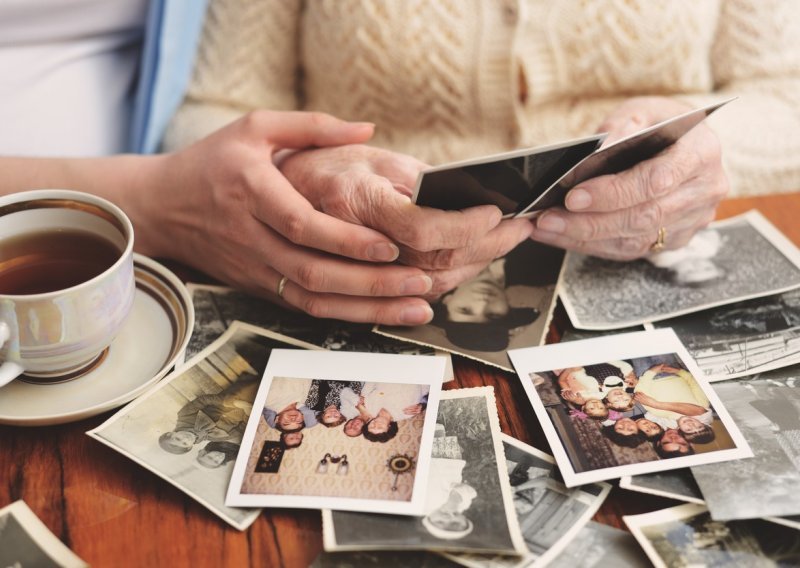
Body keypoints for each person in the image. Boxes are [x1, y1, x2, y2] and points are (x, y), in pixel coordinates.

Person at [166, 0, 800, 267]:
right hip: (367, 271)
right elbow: (209, 114)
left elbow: (787, 94)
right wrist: (296, 175)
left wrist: (695, 155)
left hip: (655, 263)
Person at [428, 239, 561, 352]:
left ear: (447, 300)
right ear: (508, 306)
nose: (483, 303)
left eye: (465, 310)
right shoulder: (546, 268)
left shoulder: (437, 250)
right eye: (493, 315)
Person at [158, 375, 258, 454]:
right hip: (252, 410)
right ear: (190, 446)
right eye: (184, 443)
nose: (185, 438)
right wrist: (248, 415)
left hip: (234, 398)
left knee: (256, 388)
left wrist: (234, 403)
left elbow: (204, 400)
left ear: (171, 433)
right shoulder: (215, 438)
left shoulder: (184, 416)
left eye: (178, 438)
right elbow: (241, 429)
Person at [341, 383, 429, 443]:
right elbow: (415, 387)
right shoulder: (407, 411)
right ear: (389, 427)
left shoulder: (370, 408)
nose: (376, 424)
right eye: (380, 427)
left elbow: (370, 384)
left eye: (372, 426)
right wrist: (424, 402)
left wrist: (363, 395)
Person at [633, 363, 712, 429]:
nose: (691, 425)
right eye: (699, 427)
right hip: (672, 370)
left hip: (645, 372)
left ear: (681, 432)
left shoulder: (662, 416)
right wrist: (679, 371)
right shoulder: (702, 406)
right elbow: (694, 384)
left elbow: (640, 395)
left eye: (688, 430)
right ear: (704, 424)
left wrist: (650, 373)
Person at [645, 229, 726, 287]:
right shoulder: (709, 251)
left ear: (672, 273)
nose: (698, 266)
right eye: (707, 268)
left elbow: (659, 236)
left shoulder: (664, 260)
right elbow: (711, 231)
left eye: (690, 271)